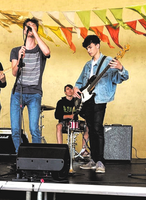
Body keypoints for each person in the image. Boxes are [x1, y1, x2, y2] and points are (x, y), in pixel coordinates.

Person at [73, 35, 129, 173]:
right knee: (91, 129)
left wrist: (121, 68)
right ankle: (93, 159)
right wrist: (75, 88)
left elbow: (123, 77)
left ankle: (100, 161)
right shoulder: (87, 65)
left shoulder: (108, 61)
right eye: (87, 48)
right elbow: (80, 82)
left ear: (98, 45)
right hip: (87, 100)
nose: (89, 50)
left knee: (97, 128)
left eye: (90, 47)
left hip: (100, 99)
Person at [10, 17, 50, 153]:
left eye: (33, 26)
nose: (30, 28)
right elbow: (14, 72)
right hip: (18, 93)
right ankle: (19, 156)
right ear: (23, 30)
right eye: (27, 26)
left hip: (34, 94)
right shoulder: (16, 50)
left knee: (34, 128)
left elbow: (47, 52)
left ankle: (36, 157)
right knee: (15, 129)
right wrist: (20, 58)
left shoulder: (40, 49)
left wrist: (35, 33)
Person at [55, 84, 90, 157]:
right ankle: (60, 149)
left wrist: (86, 117)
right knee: (58, 126)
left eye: (71, 89)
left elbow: (82, 113)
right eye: (68, 89)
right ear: (65, 92)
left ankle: (84, 150)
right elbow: (57, 115)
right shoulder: (61, 102)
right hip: (64, 123)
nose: (70, 90)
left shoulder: (77, 101)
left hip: (75, 123)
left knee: (88, 126)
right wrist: (69, 116)